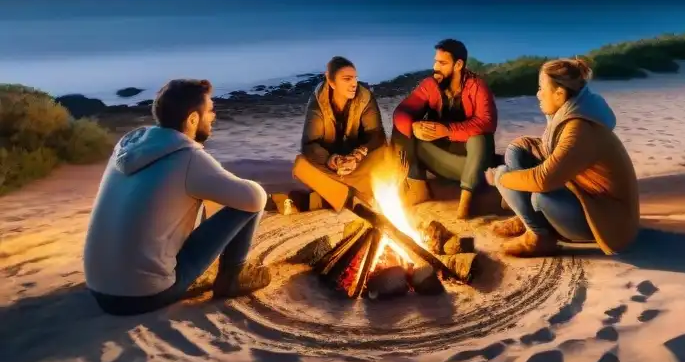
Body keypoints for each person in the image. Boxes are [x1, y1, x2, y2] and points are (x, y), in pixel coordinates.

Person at [83, 79, 270, 316]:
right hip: (142, 296)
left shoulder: (131, 144)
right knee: (250, 200)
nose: (213, 116)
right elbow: (255, 198)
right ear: (193, 119)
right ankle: (234, 275)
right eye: (210, 110)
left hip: (98, 287)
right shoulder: (188, 158)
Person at [485, 57, 639, 258]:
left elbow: (543, 179)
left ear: (559, 94)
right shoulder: (574, 112)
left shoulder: (580, 129)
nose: (538, 95)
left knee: (539, 194)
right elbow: (550, 153)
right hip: (584, 195)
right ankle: (527, 220)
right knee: (518, 151)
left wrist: (499, 178)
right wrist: (520, 148)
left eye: (541, 88)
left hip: (607, 221)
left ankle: (540, 236)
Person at [392, 38, 498, 219]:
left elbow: (487, 122)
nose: (436, 67)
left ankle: (467, 200)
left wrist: (448, 130)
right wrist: (413, 126)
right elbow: (402, 111)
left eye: (442, 63)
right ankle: (417, 186)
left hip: (471, 163)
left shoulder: (477, 86)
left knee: (480, 138)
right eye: (435, 61)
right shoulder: (430, 85)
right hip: (441, 160)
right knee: (402, 129)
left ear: (458, 65)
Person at [291, 55, 396, 212]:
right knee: (300, 166)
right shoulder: (318, 103)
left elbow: (377, 136)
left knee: (388, 154)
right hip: (333, 165)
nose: (354, 84)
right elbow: (310, 144)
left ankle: (335, 193)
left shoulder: (365, 98)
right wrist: (332, 160)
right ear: (331, 82)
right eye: (347, 79)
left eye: (355, 78)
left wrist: (358, 155)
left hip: (359, 162)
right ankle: (352, 193)